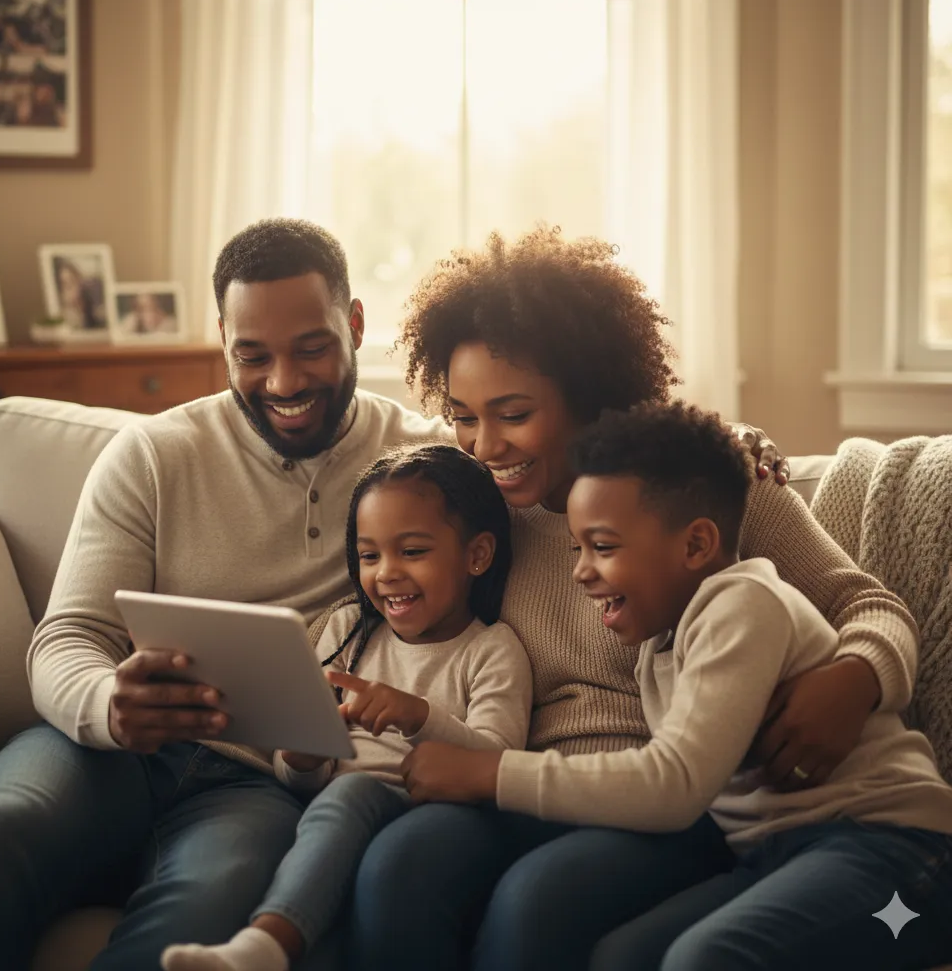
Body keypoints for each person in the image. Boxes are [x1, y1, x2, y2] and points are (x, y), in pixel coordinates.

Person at [351, 227, 921, 971]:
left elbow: (869, 605)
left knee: (538, 901)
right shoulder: (476, 516)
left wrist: (856, 679)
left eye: (513, 413)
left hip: (667, 799)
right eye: (463, 416)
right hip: (525, 780)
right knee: (402, 863)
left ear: (588, 396)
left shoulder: (698, 490)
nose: (484, 444)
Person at [0, 219, 449, 970]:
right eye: (252, 356)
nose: (284, 383)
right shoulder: (153, 454)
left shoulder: (422, 461)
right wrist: (109, 701)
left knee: (202, 913)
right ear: (223, 341)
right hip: (104, 753)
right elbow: (67, 634)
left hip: (258, 782)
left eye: (311, 348)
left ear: (356, 324)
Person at [404, 401, 952, 970]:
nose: (581, 571)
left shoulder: (743, 605)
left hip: (901, 858)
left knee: (706, 958)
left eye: (604, 547)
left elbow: (674, 783)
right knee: (623, 957)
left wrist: (488, 774)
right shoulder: (660, 643)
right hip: (774, 856)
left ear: (695, 546)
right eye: (577, 548)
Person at [161, 443, 532, 971]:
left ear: (477, 555)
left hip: (430, 820)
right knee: (344, 794)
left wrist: (417, 717)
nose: (386, 574)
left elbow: (497, 764)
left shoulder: (492, 651)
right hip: (337, 815)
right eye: (369, 555)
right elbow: (298, 778)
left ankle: (267, 945)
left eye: (413, 551)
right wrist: (304, 757)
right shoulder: (346, 633)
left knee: (355, 789)